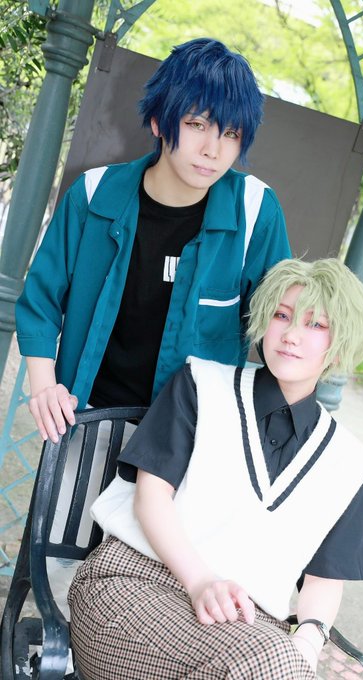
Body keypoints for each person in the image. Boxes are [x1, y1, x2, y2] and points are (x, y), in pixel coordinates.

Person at [68, 257, 363, 680]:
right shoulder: (201, 385)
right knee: (267, 664)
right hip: (132, 586)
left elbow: (324, 579)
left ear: (339, 346)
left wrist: (308, 639)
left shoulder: (346, 460)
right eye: (281, 316)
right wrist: (200, 582)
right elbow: (151, 498)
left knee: (274, 663)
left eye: (315, 324)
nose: (291, 334)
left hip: (246, 627)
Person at [15, 37, 291, 445]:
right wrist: (44, 386)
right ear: (160, 122)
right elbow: (41, 300)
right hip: (86, 416)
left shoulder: (255, 210)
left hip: (187, 439)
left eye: (231, 133)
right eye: (197, 125)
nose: (212, 149)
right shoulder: (93, 194)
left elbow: (281, 325)